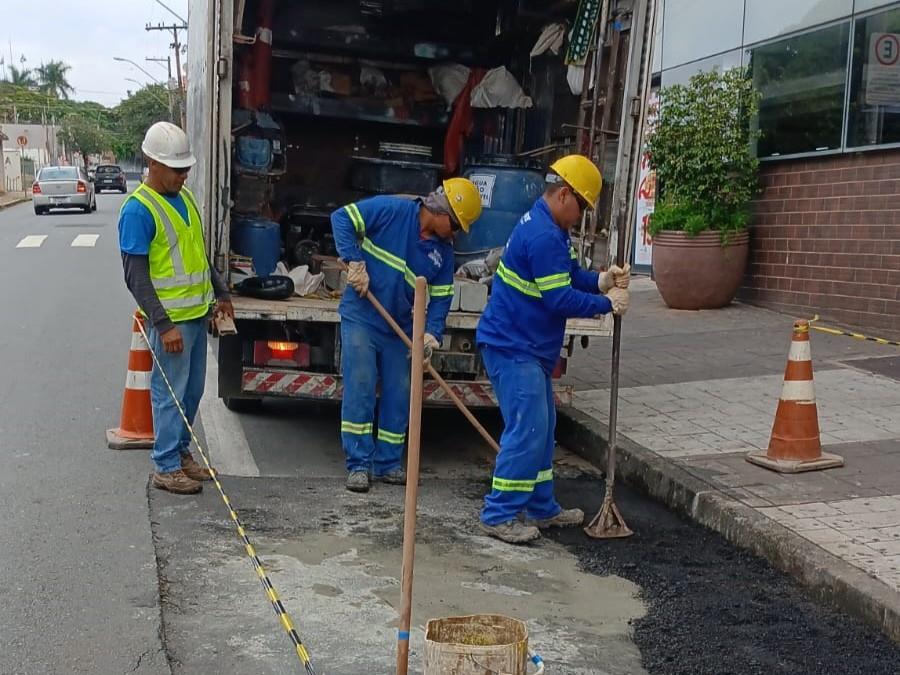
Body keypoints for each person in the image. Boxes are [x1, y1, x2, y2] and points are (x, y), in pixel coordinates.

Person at [475, 154, 631, 544]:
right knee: (527, 431)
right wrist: (606, 305)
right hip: (513, 347)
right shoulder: (544, 235)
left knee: (543, 432)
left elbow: (569, 275)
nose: (581, 215)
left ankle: (542, 508)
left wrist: (601, 280)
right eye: (581, 206)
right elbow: (559, 298)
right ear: (564, 194)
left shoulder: (548, 226)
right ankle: (499, 515)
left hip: (524, 344)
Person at [331, 179, 482, 493]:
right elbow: (342, 218)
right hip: (363, 316)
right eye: (455, 225)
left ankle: (387, 463)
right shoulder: (392, 211)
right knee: (360, 385)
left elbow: (440, 297)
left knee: (400, 394)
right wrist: (355, 261)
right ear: (442, 212)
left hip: (400, 328)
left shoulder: (442, 253)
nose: (454, 234)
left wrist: (430, 334)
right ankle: (358, 464)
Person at [118, 121, 234, 495]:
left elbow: (199, 256)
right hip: (172, 323)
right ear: (152, 163)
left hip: (197, 316)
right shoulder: (138, 210)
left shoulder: (184, 199)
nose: (183, 175)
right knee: (169, 394)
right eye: (176, 169)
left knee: (192, 392)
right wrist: (163, 324)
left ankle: (181, 454)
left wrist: (221, 292)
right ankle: (165, 465)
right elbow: (135, 276)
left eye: (186, 168)